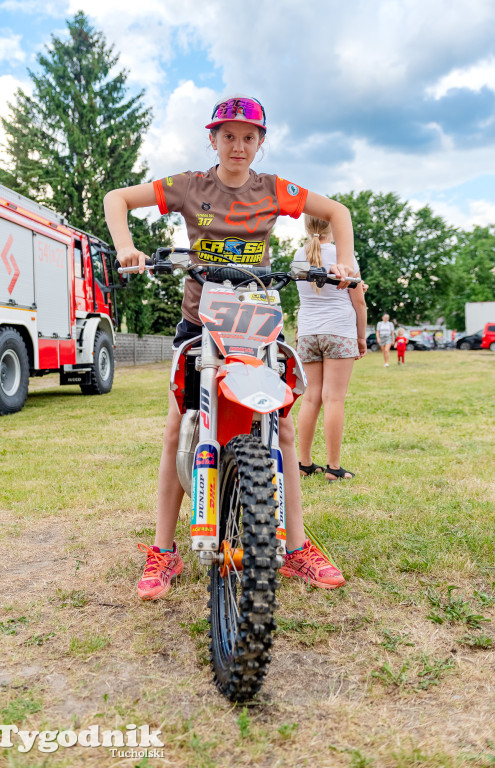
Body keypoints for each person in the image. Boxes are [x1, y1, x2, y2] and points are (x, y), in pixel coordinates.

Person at [104, 95, 355, 599]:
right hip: (200, 324)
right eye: (228, 135)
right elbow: (118, 198)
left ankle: (297, 547)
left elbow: (336, 211)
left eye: (248, 136)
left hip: (257, 324)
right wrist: (126, 246)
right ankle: (163, 551)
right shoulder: (189, 186)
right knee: (180, 427)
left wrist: (343, 261)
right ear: (212, 139)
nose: (238, 145)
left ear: (261, 143)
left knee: (281, 425)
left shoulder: (272, 190)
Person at [295, 215, 367, 482]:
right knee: (334, 398)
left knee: (311, 397)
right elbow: (358, 302)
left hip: (308, 333)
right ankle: (333, 468)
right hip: (338, 330)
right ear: (332, 227)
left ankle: (303, 463)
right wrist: (361, 337)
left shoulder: (299, 254)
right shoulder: (342, 255)